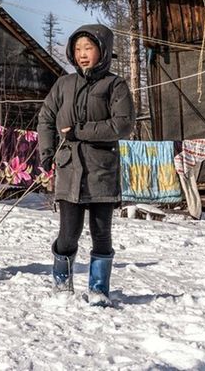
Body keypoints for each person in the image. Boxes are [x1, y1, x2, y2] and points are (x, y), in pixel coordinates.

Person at [37, 24, 134, 306]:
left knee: (101, 233)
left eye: (88, 48)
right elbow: (46, 117)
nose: (82, 54)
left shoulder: (114, 85)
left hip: (101, 170)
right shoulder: (64, 84)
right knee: (68, 234)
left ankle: (99, 289)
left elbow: (123, 124)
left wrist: (80, 130)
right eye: (78, 49)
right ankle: (62, 283)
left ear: (102, 50)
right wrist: (46, 152)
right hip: (69, 169)